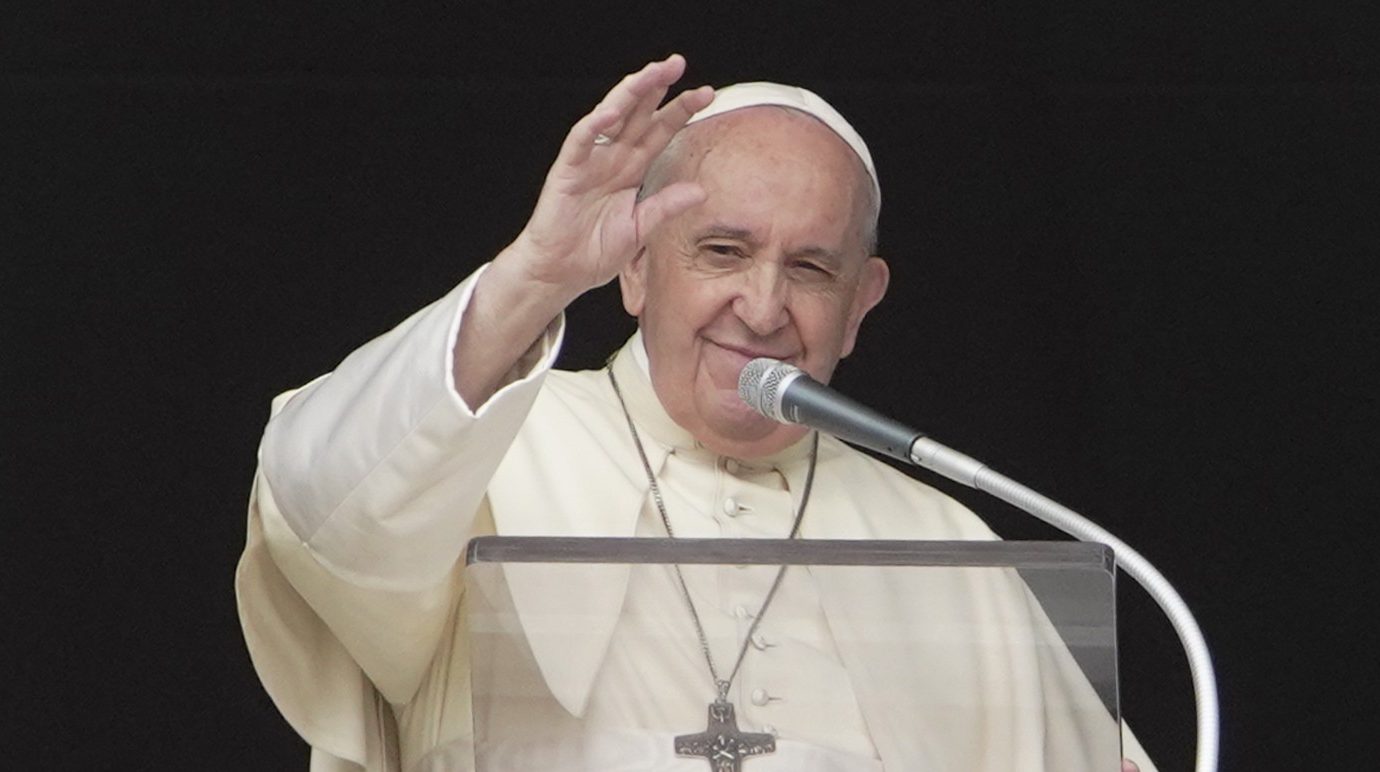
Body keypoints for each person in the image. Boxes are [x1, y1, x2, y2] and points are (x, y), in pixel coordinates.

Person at [237, 55, 1154, 771]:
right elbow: (313, 508)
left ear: (862, 303)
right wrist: (531, 281)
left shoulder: (948, 546)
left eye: (810, 268)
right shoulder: (489, 442)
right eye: (722, 250)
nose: (761, 308)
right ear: (635, 268)